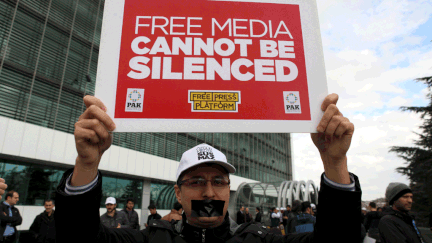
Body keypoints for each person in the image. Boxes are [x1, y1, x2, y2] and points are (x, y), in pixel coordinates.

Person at [53, 94, 362, 242]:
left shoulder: (261, 240)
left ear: (229, 189)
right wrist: (86, 164)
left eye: (219, 181)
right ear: (178, 191)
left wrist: (335, 164)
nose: (210, 192)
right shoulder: (149, 239)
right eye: (196, 181)